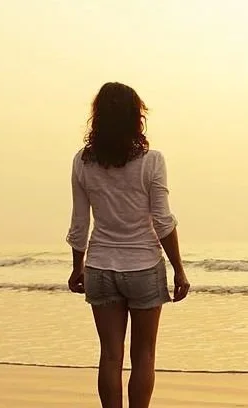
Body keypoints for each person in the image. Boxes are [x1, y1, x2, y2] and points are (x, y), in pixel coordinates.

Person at [66, 82, 190, 408]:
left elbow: (80, 224)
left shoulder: (82, 162)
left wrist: (77, 267)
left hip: (100, 265)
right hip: (144, 268)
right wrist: (179, 269)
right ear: (136, 118)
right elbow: (162, 221)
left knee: (109, 355)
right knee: (144, 355)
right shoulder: (152, 162)